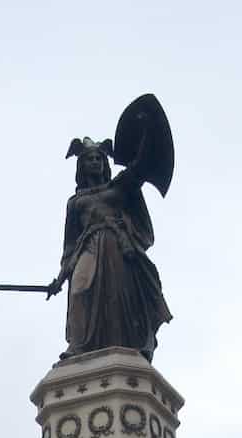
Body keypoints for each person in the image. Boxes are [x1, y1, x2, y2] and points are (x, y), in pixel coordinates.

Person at [46, 134, 172, 361]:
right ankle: (79, 346)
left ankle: (128, 345)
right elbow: (70, 245)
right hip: (89, 247)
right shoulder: (75, 202)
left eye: (98, 159)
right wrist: (60, 278)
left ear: (105, 164)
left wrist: (146, 135)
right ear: (81, 166)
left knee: (119, 295)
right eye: (89, 159)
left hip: (118, 246)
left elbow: (139, 167)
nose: (94, 162)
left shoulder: (120, 186)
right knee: (79, 290)